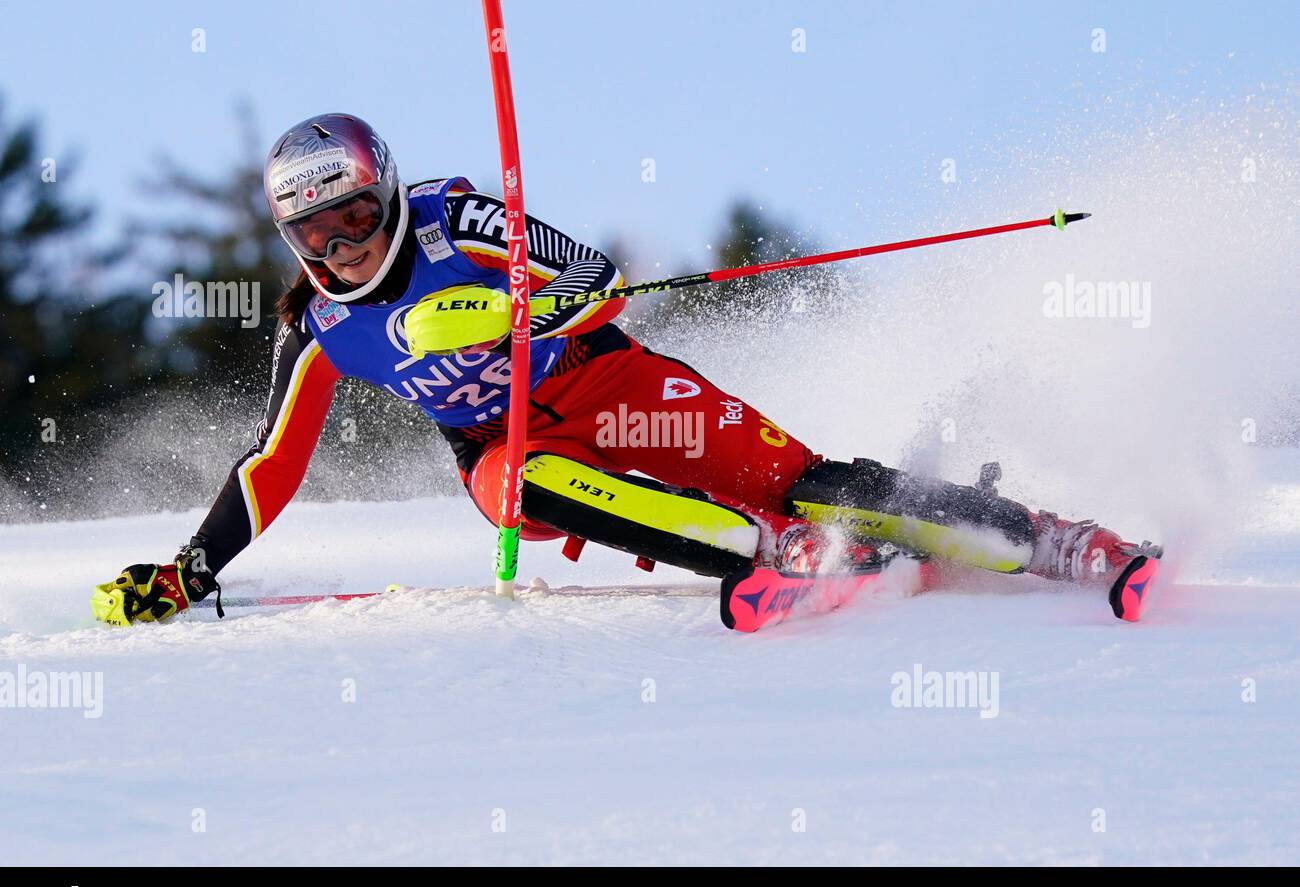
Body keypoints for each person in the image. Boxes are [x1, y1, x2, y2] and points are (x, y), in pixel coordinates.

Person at [93, 113, 1158, 625]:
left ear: (388, 192)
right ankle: (763, 558)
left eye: (357, 217)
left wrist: (496, 309)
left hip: (610, 378)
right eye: (315, 236)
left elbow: (599, 279)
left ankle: (1061, 542)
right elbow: (268, 464)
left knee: (811, 479)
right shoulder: (319, 325)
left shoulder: (454, 218)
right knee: (517, 486)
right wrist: (190, 568)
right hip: (511, 442)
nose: (343, 248)